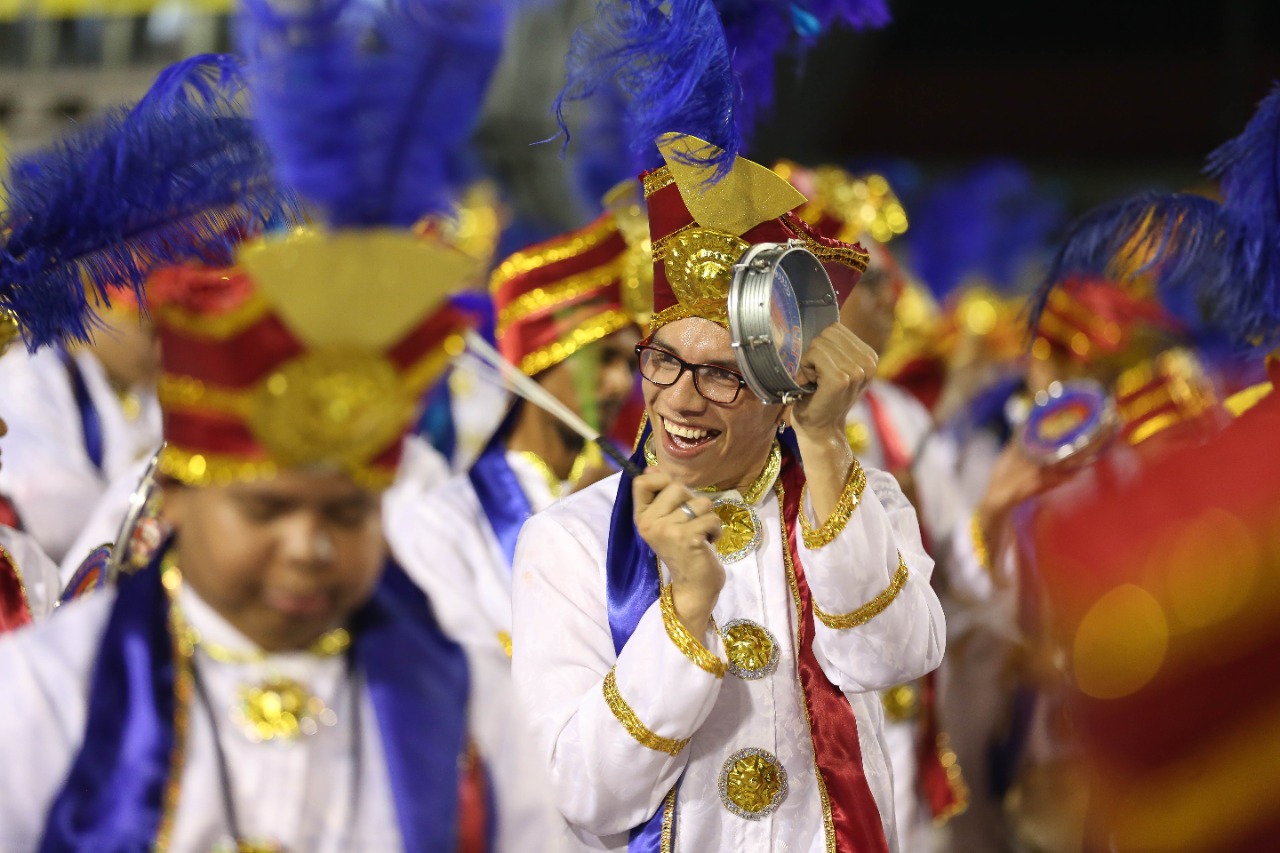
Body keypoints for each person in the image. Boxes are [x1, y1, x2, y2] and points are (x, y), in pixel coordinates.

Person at [511, 135, 946, 851]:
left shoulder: (865, 499)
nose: (680, 399)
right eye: (663, 360)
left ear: (785, 391)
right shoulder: (570, 538)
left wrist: (825, 443)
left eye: (723, 374)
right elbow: (583, 796)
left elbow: (891, 658)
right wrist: (684, 610)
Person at [386, 203, 642, 665]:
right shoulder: (444, 521)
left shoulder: (646, 490)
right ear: (539, 362)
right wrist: (577, 525)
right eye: (603, 358)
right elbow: (484, 679)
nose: (622, 384)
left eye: (630, 363)